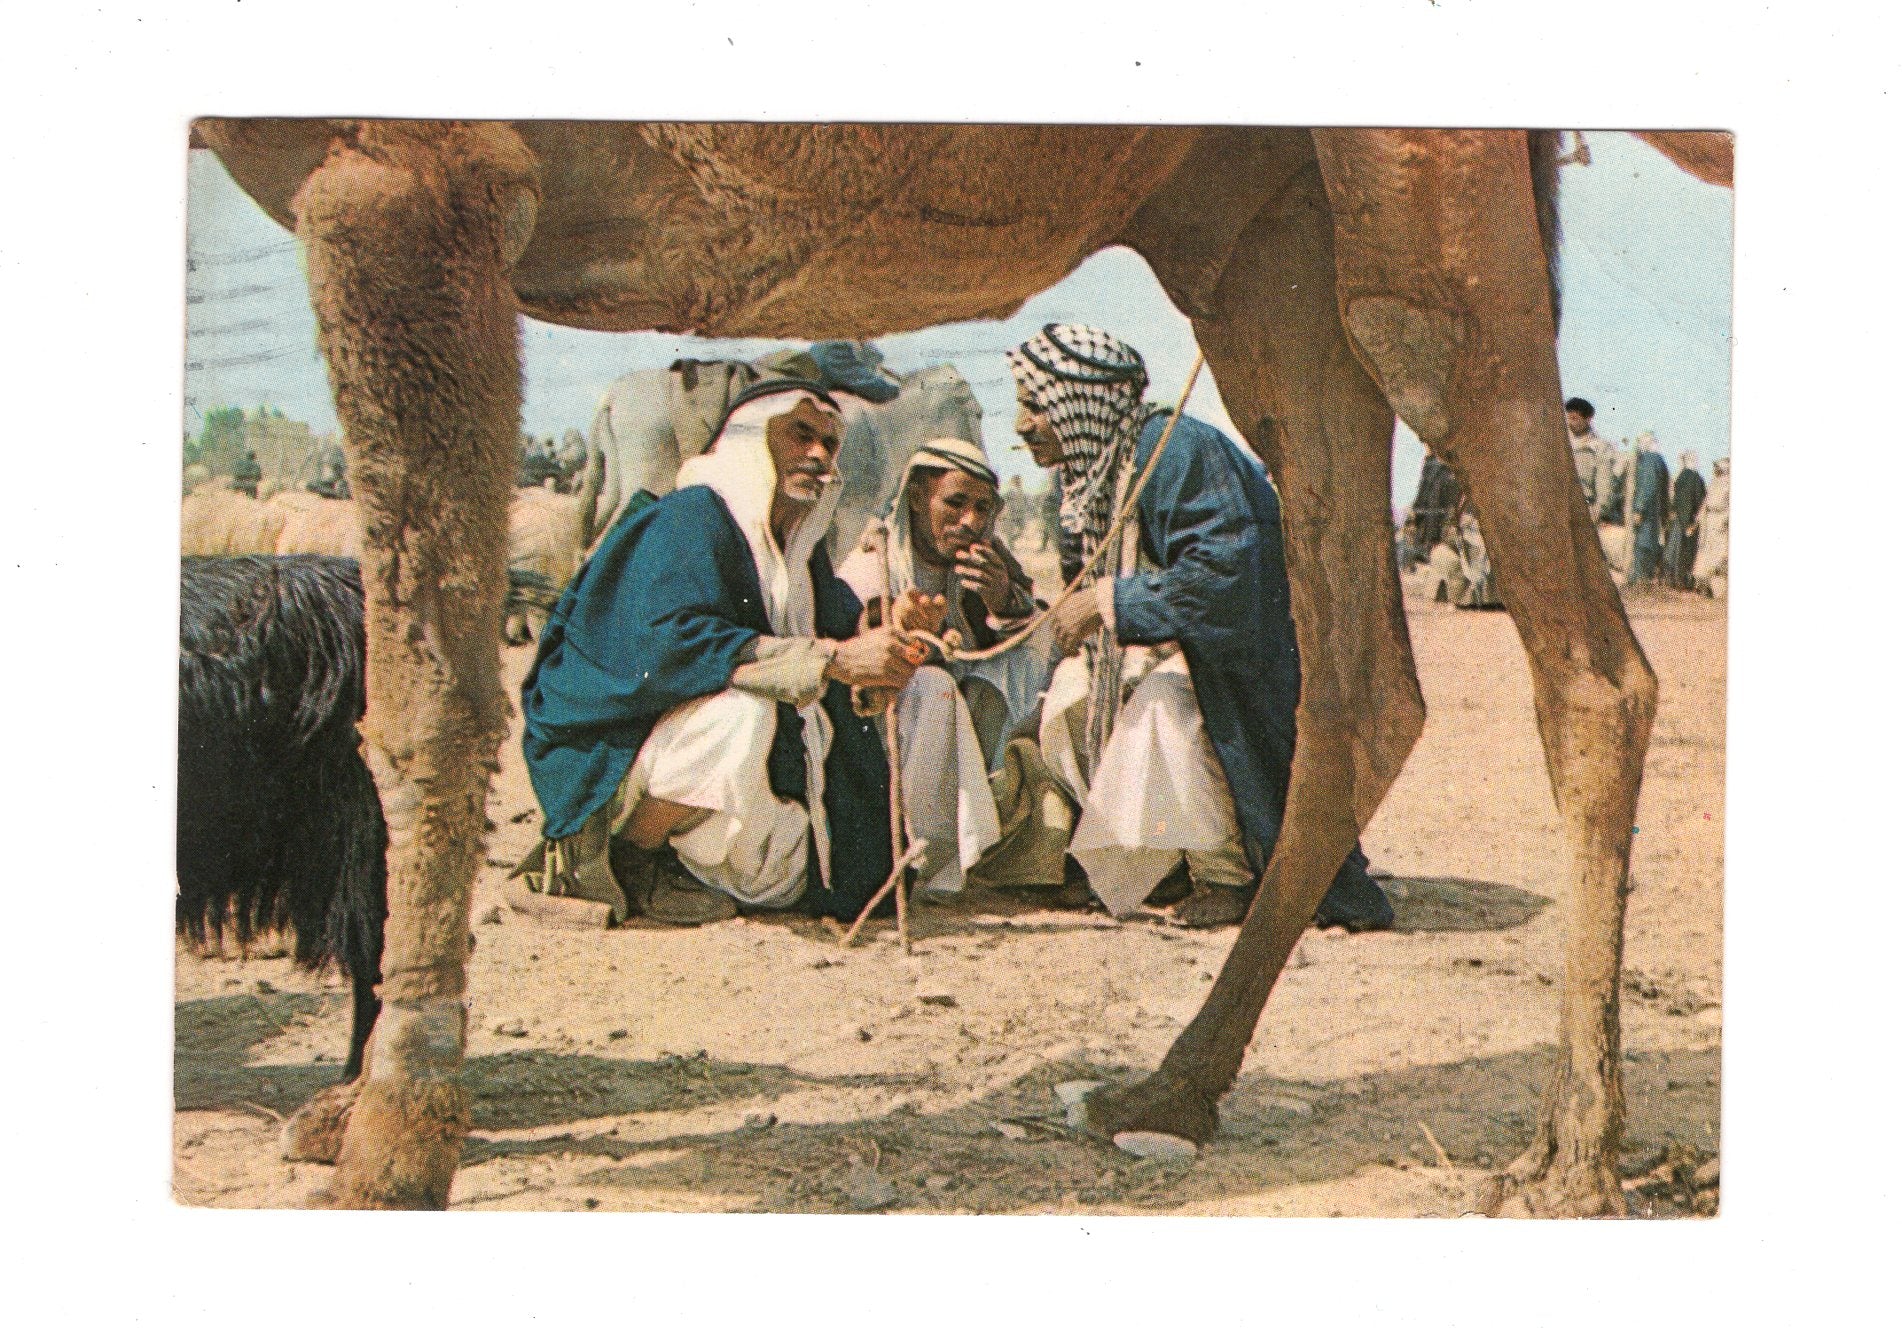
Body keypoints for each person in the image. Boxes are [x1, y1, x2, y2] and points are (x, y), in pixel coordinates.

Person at [1006, 323, 1393, 932]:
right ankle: (1162, 861)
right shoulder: (1093, 474)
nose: (1022, 425)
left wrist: (1109, 603)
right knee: (1069, 700)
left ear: (1077, 403)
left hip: (1244, 660)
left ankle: (1227, 874)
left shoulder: (1175, 450)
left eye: (1034, 405)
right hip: (1173, 648)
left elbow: (1225, 575)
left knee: (1164, 704)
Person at [520, 380, 935, 925]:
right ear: (753, 438)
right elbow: (667, 643)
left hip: (748, 788)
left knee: (927, 695)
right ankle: (633, 858)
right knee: (743, 710)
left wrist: (890, 629)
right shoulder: (690, 517)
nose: (818, 454)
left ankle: (698, 870)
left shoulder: (795, 545)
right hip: (620, 754)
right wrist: (830, 660)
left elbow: (837, 630)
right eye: (801, 434)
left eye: (830, 444)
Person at [836, 437, 1044, 894]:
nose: (970, 521)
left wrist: (1003, 601)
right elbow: (853, 664)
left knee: (1029, 674)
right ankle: (924, 861)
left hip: (958, 738)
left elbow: (1029, 644)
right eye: (955, 503)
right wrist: (904, 633)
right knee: (932, 685)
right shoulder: (874, 563)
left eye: (982, 508)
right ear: (916, 497)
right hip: (882, 742)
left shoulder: (985, 561)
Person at [1627, 431, 1671, 586]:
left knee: (1642, 544)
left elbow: (1648, 485)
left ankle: (1639, 581)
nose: (1638, 446)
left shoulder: (1649, 459)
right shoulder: (1659, 460)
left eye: (1640, 442)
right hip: (1655, 511)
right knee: (1650, 543)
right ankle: (1644, 580)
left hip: (1647, 511)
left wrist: (1639, 509)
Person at [1664, 450, 1707, 590]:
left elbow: (1677, 500)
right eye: (1695, 459)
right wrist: (1690, 523)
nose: (1697, 462)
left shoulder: (1681, 475)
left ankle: (1672, 581)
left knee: (1674, 552)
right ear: (1690, 461)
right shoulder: (1694, 477)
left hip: (1679, 519)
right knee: (1684, 553)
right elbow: (1690, 501)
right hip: (1688, 520)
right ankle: (1680, 583)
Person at [1565, 397, 1614, 516]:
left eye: (1574, 418)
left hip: (1584, 509)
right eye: (1567, 418)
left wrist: (1594, 514)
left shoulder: (1599, 448)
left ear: (1588, 419)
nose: (1570, 423)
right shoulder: (1560, 443)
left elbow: (1604, 486)